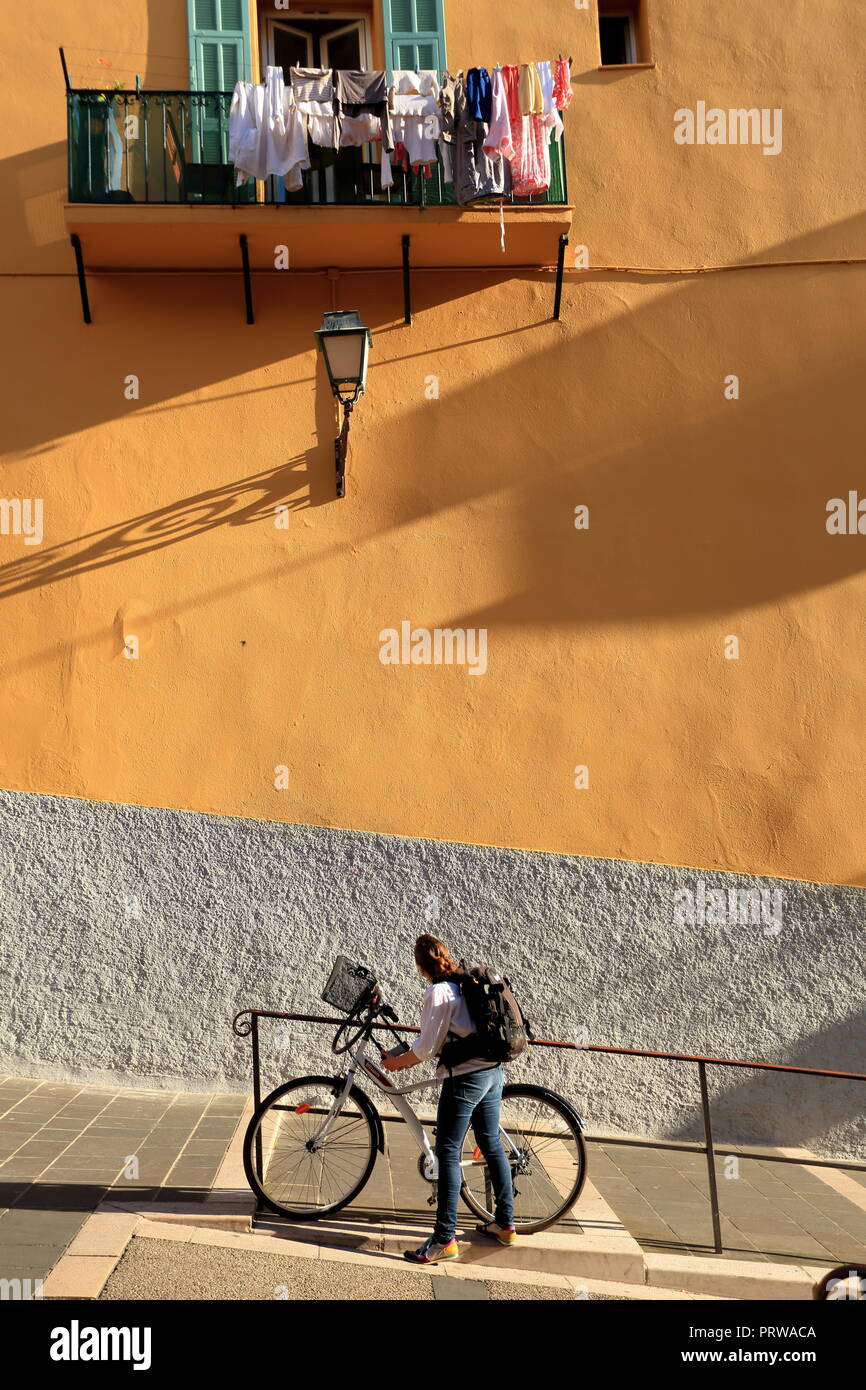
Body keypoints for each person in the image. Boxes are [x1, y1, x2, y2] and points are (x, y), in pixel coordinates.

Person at [381, 933, 516, 1264]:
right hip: (493, 1072)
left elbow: (427, 1048)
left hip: (465, 1079)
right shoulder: (462, 984)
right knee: (491, 1143)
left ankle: (444, 1239)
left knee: (448, 1153)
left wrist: (397, 1062)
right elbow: (444, 1035)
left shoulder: (438, 991)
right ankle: (505, 1224)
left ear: (420, 965)